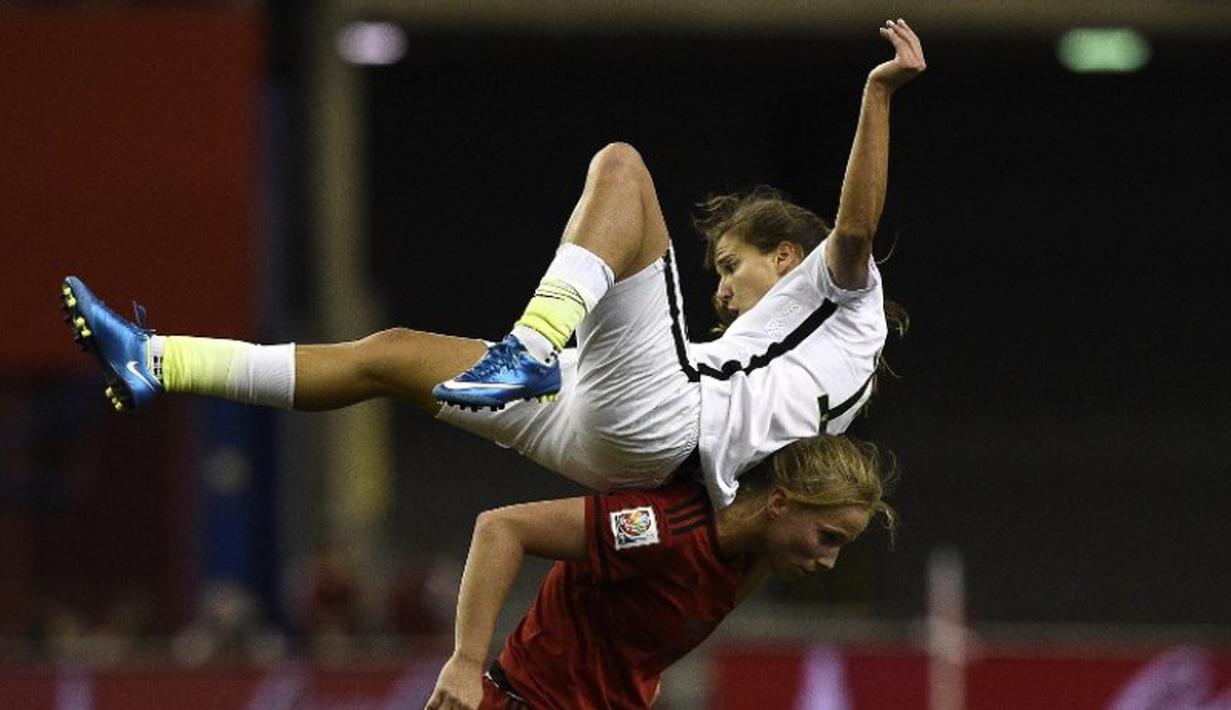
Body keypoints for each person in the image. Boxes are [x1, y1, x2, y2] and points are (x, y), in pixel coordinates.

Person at [60, 20, 925, 507]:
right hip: (624, 439)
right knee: (391, 353)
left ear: (787, 256)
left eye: (733, 264)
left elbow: (851, 229)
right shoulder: (807, 355)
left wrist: (876, 94)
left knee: (622, 167)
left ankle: (532, 343)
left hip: (663, 427)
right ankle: (160, 360)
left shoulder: (843, 298)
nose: (723, 285)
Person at [425, 433, 897, 709]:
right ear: (777, 502)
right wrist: (465, 663)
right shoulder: (661, 528)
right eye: (828, 537)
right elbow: (501, 529)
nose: (828, 560)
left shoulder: (752, 561)